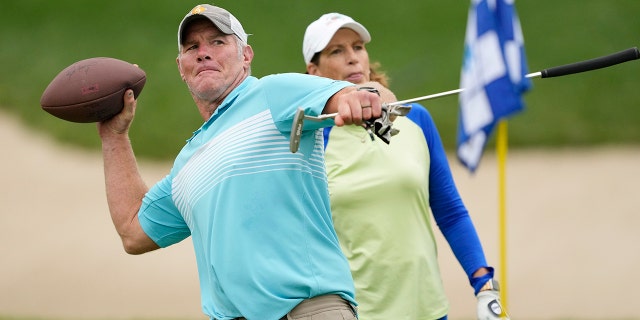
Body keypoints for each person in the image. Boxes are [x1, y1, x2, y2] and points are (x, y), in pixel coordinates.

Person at [96, 5, 387, 320]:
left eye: (218, 42)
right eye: (192, 47)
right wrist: (114, 137)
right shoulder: (187, 165)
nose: (204, 53)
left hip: (306, 311)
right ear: (181, 67)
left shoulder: (273, 94)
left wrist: (357, 98)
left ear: (246, 55)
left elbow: (345, 94)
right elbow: (132, 231)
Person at [302, 13, 509, 320]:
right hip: (354, 312)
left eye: (358, 47)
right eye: (336, 51)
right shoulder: (312, 138)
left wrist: (484, 285)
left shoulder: (416, 119)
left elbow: (450, 211)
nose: (352, 59)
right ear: (313, 71)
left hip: (427, 309)